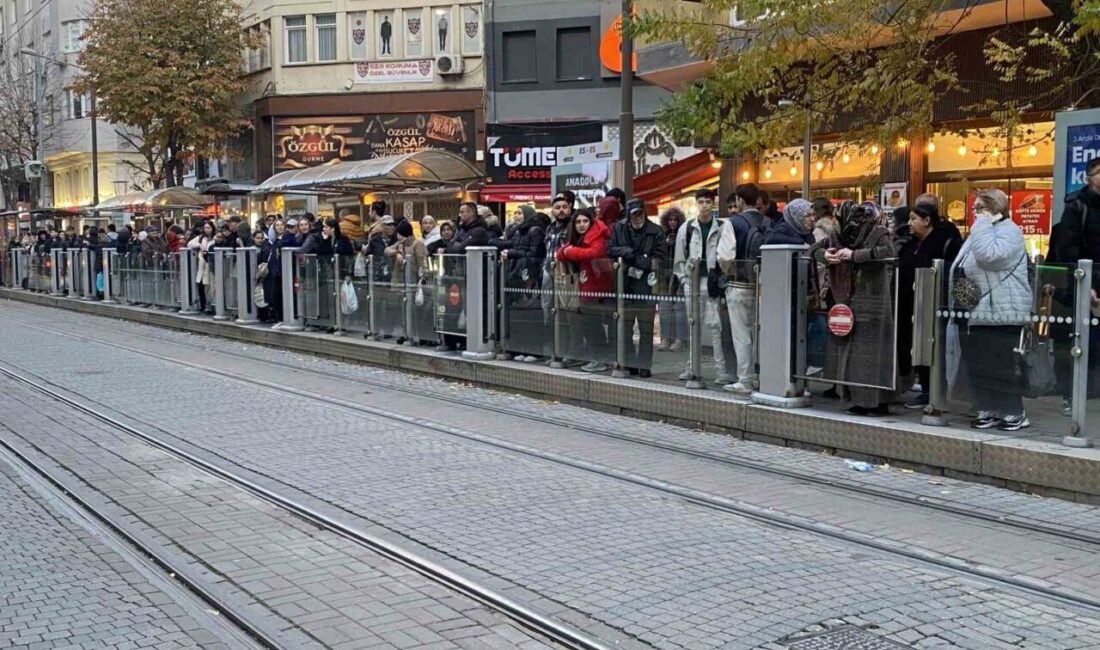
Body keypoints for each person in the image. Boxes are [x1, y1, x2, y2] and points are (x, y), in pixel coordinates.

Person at [950, 189, 1031, 430]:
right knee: (980, 364)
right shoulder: (983, 231)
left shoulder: (1010, 231)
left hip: (1005, 310)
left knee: (1003, 364)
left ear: (994, 207)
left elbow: (989, 256)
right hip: (981, 309)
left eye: (979, 208)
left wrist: (982, 223)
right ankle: (989, 407)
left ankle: (1014, 411)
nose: (975, 213)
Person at [814, 202, 897, 416]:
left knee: (875, 351)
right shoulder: (839, 233)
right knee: (857, 353)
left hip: (874, 298)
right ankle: (859, 399)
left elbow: (888, 252)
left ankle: (878, 401)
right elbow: (814, 249)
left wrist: (854, 255)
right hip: (850, 299)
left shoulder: (879, 232)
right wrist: (826, 255)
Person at [897, 203, 962, 410]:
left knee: (933, 346)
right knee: (916, 345)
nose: (910, 223)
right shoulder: (910, 243)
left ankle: (933, 391)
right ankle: (925, 387)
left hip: (935, 302)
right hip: (910, 301)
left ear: (927, 221)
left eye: (914, 219)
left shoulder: (944, 243)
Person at [717, 183, 770, 393]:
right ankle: (762, 375)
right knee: (761, 332)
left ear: (739, 200)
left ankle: (745, 379)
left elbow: (725, 255)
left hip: (739, 284)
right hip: (764, 284)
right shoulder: (768, 221)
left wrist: (727, 270)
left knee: (742, 334)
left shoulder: (733, 223)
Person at [675, 188, 729, 384]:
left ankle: (721, 370)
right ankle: (692, 367)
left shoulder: (722, 227)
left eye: (708, 202)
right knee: (693, 325)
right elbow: (679, 257)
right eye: (701, 202)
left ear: (713, 204)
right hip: (693, 282)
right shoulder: (687, 227)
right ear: (696, 203)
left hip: (713, 283)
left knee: (716, 327)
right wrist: (684, 279)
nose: (704, 205)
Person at [609, 198, 668, 377]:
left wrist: (637, 259)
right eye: (634, 215)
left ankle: (644, 365)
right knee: (625, 328)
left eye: (640, 214)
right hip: (624, 284)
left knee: (646, 328)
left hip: (646, 285)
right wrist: (629, 252)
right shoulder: (618, 228)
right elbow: (610, 249)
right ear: (628, 215)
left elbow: (660, 259)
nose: (637, 218)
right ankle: (628, 363)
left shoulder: (656, 231)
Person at [556, 208, 613, 372]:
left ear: (591, 221)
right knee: (589, 325)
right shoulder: (580, 237)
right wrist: (568, 251)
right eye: (578, 222)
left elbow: (594, 252)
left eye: (585, 221)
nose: (581, 225)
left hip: (597, 285)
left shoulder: (597, 234)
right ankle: (597, 357)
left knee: (594, 325)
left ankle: (600, 359)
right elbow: (560, 253)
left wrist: (570, 252)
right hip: (585, 284)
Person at [498, 206, 548, 362]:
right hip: (517, 273)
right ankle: (520, 346)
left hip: (530, 274)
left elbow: (535, 253)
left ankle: (534, 349)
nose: (516, 216)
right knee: (518, 311)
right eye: (515, 213)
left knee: (531, 311)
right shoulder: (516, 230)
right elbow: (510, 245)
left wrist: (511, 253)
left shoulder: (535, 231)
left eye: (519, 213)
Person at [657, 208, 687, 352]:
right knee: (664, 308)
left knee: (680, 309)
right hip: (664, 274)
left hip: (679, 274)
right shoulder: (661, 235)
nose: (673, 222)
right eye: (670, 220)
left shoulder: (684, 234)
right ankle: (665, 338)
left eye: (675, 219)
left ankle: (680, 339)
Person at [188, 220, 217, 313]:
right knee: (201, 285)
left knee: (209, 286)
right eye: (205, 228)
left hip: (211, 264)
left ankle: (210, 305)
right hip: (202, 264)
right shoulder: (201, 238)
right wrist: (199, 245)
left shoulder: (215, 238)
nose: (207, 230)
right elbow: (189, 244)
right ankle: (203, 304)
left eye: (209, 227)